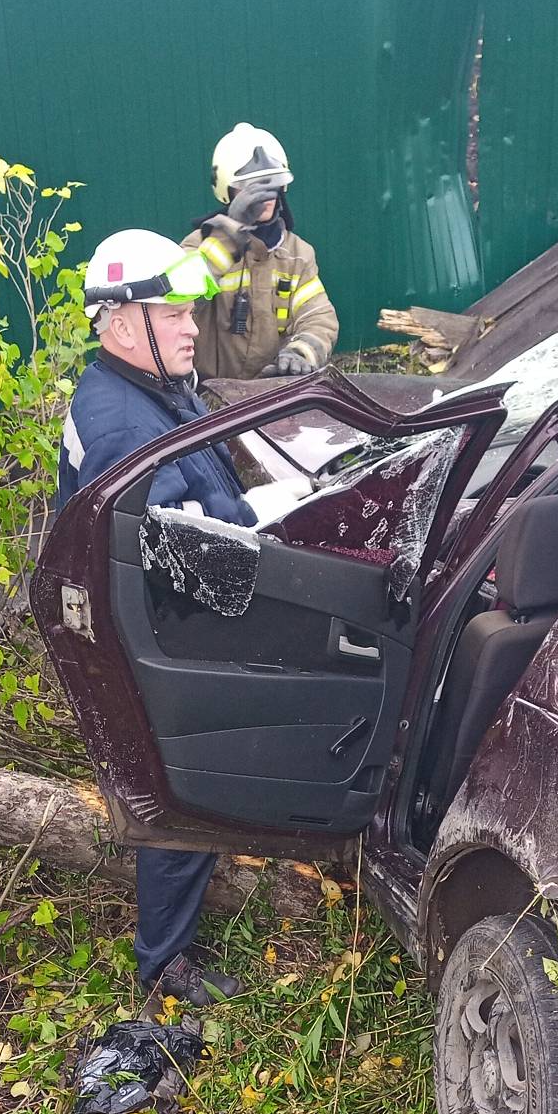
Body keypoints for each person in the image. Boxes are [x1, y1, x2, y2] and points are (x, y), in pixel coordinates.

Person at [57, 230, 253, 1011]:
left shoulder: (152, 389)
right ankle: (165, 964)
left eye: (188, 312)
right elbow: (169, 559)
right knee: (182, 777)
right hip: (159, 636)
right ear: (119, 319)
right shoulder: (121, 426)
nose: (190, 326)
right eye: (172, 313)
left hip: (167, 620)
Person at [188, 124, 339, 382]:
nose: (265, 195)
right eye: (251, 186)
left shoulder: (297, 255)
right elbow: (181, 298)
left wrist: (300, 353)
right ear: (227, 190)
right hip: (208, 396)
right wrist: (229, 235)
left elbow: (318, 317)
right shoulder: (200, 245)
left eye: (271, 182)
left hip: (271, 395)